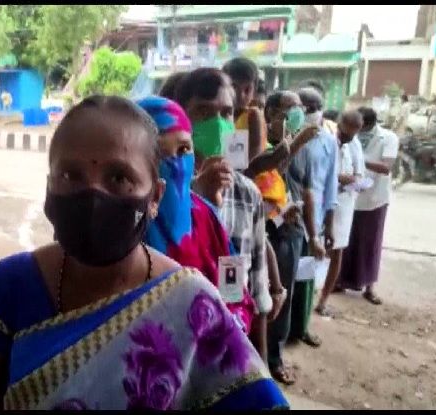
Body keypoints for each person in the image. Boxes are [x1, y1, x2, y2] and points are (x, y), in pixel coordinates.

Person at [0, 95, 288, 410]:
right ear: (49, 186)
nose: (92, 196)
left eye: (119, 177)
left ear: (154, 197)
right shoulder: (13, 285)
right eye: (70, 175)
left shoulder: (192, 299)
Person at [174, 68, 276, 361]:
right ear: (183, 118)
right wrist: (197, 198)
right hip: (180, 344)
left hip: (231, 340)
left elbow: (256, 286)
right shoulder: (164, 191)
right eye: (204, 112)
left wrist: (261, 365)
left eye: (226, 113)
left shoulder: (247, 194)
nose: (218, 123)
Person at [135, 95, 232, 302]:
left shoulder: (207, 216)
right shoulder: (125, 227)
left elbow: (234, 287)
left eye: (184, 149)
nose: (177, 165)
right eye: (160, 153)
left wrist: (233, 315)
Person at [263, 90, 319, 385]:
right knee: (265, 296)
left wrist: (314, 233)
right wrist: (295, 144)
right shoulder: (261, 143)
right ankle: (261, 357)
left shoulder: (305, 146)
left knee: (287, 294)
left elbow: (307, 191)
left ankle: (275, 355)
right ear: (271, 112)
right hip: (267, 231)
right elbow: (269, 173)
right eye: (290, 108)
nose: (297, 113)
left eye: (300, 108)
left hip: (294, 231)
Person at [287, 87, 339, 349]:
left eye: (315, 107)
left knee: (304, 278)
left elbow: (330, 186)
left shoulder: (328, 142)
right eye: (305, 107)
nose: (310, 112)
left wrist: (327, 226)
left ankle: (300, 327)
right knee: (285, 279)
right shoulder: (286, 136)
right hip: (287, 220)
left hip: (313, 224)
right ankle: (284, 329)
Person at [336, 107, 398, 305]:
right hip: (352, 197)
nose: (357, 130)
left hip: (375, 199)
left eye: (360, 126)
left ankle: (369, 287)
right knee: (347, 242)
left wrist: (362, 161)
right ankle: (341, 281)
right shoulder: (350, 136)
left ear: (367, 124)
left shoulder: (388, 138)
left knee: (371, 244)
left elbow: (386, 167)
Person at [315, 110, 365, 316]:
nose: (347, 139)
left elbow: (359, 174)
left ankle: (323, 300)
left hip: (344, 205)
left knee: (337, 252)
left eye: (352, 135)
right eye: (345, 134)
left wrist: (353, 181)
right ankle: (306, 294)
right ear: (339, 124)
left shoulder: (355, 145)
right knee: (314, 249)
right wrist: (338, 178)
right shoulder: (324, 139)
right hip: (320, 203)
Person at [222, 57, 267, 159]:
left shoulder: (252, 116)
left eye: (247, 90)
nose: (241, 95)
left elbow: (255, 158)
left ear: (254, 91)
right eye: (234, 87)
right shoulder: (217, 114)